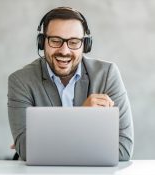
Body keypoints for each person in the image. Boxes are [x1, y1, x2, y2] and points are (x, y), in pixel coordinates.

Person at [7, 7, 134, 161]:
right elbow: (28, 150)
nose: (64, 51)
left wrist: (45, 141)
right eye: (55, 41)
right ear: (42, 42)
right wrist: (83, 116)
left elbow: (123, 149)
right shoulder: (21, 81)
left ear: (85, 45)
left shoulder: (107, 75)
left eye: (74, 42)